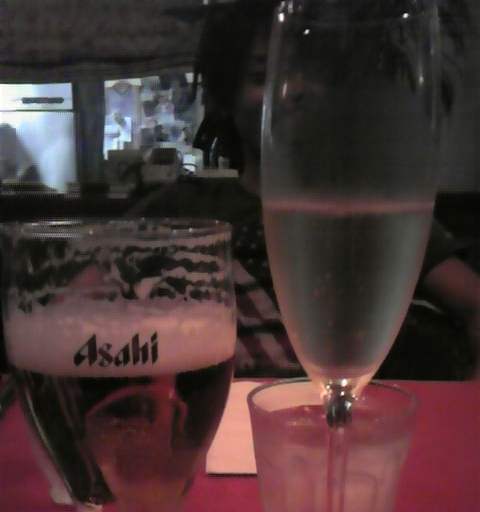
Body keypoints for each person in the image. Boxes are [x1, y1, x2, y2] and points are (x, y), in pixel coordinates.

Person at [128, 0, 479, 382]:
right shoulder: (181, 208)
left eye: (309, 71)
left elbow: (473, 300)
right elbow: (91, 293)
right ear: (224, 98)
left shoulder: (366, 212)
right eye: (263, 75)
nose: (293, 88)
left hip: (340, 398)